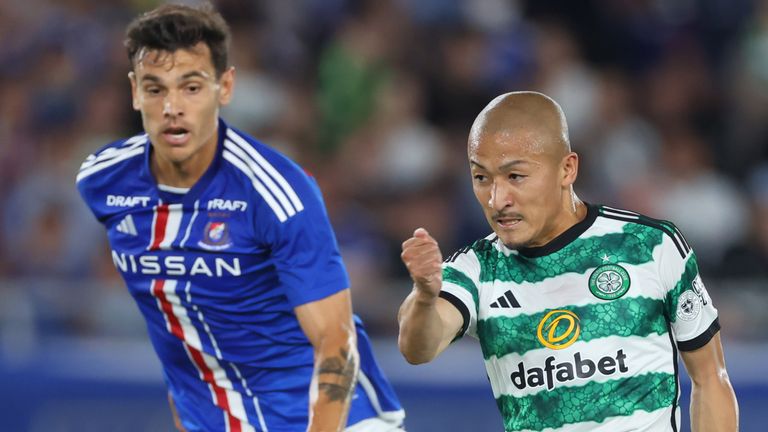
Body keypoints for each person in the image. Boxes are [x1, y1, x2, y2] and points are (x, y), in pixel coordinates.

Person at [75, 3, 404, 431]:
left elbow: (336, 344)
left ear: (224, 87)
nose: (172, 106)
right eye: (156, 89)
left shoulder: (275, 191)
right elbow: (177, 326)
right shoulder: (103, 181)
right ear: (135, 91)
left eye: (191, 87)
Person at [398, 91, 738, 431]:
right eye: (481, 178)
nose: (497, 199)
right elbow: (419, 349)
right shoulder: (478, 269)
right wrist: (425, 296)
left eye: (515, 176)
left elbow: (710, 376)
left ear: (567, 169)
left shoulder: (650, 245)